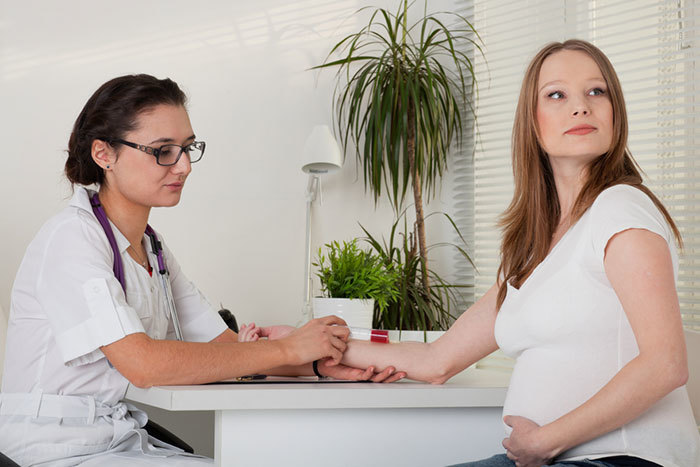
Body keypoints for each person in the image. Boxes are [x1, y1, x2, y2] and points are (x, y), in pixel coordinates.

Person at [0, 74, 402, 466]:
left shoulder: (152, 248)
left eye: (188, 148)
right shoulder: (72, 238)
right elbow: (144, 364)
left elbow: (225, 348)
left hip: (116, 440)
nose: (184, 166)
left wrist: (317, 366)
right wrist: (289, 348)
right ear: (104, 154)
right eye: (163, 151)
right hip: (53, 448)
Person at [337, 40, 700, 466]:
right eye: (557, 95)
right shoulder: (535, 249)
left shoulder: (620, 208)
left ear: (616, 111)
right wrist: (311, 348)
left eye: (596, 92)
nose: (581, 107)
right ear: (533, 121)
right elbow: (438, 359)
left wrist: (546, 440)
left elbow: (666, 364)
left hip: (618, 458)